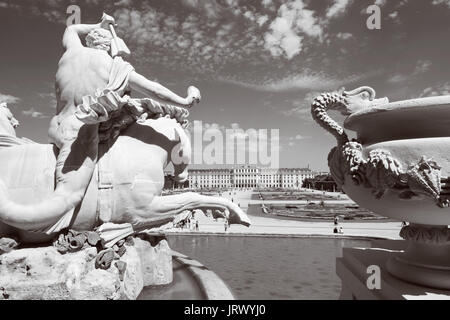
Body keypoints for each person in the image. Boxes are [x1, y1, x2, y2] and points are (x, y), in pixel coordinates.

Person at [0, 13, 200, 233]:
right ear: (108, 45)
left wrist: (99, 24)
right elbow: (155, 90)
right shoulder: (116, 67)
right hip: (80, 133)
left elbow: (71, 30)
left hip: (56, 128)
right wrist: (184, 101)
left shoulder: (71, 53)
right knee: (68, 197)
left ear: (90, 41)